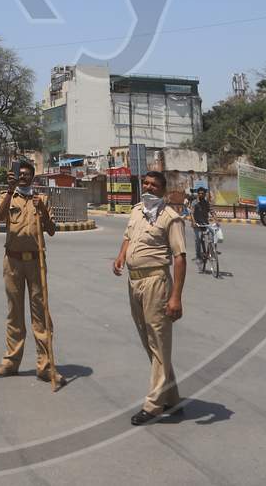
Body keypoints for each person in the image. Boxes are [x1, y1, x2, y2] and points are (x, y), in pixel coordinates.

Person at [112, 169, 187, 425]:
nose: (148, 187)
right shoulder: (136, 210)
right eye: (145, 183)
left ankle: (154, 404)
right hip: (134, 282)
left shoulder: (171, 218)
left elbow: (179, 258)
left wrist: (175, 297)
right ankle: (172, 398)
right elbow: (128, 236)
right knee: (150, 340)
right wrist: (121, 255)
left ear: (163, 190)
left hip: (156, 281)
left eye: (154, 185)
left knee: (159, 340)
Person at [0, 160, 60, 383]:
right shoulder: (7, 196)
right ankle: (11, 361)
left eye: (27, 174)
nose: (22, 177)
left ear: (33, 177)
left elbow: (51, 231)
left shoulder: (42, 199)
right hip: (12, 262)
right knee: (14, 313)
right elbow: (0, 216)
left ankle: (45, 365)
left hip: (36, 262)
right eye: (19, 174)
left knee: (40, 315)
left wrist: (42, 210)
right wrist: (10, 191)